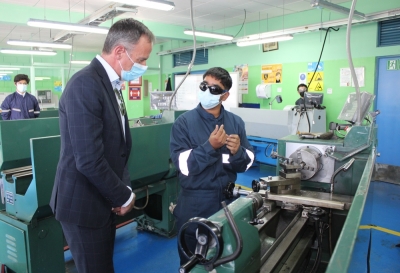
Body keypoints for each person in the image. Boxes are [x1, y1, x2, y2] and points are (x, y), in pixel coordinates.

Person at [50, 18, 154, 273]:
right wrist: (123, 195)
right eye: (140, 60)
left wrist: (123, 186)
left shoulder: (112, 84)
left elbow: (119, 147)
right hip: (83, 205)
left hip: (102, 198)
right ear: (119, 52)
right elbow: (88, 159)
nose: (143, 66)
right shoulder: (85, 84)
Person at [170, 67, 255, 265]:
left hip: (227, 203)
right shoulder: (184, 123)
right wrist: (210, 147)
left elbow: (248, 160)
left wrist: (238, 153)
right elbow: (183, 165)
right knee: (193, 262)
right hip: (195, 204)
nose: (207, 91)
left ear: (225, 96)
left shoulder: (235, 123)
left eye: (215, 89)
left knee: (225, 260)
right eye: (204, 85)